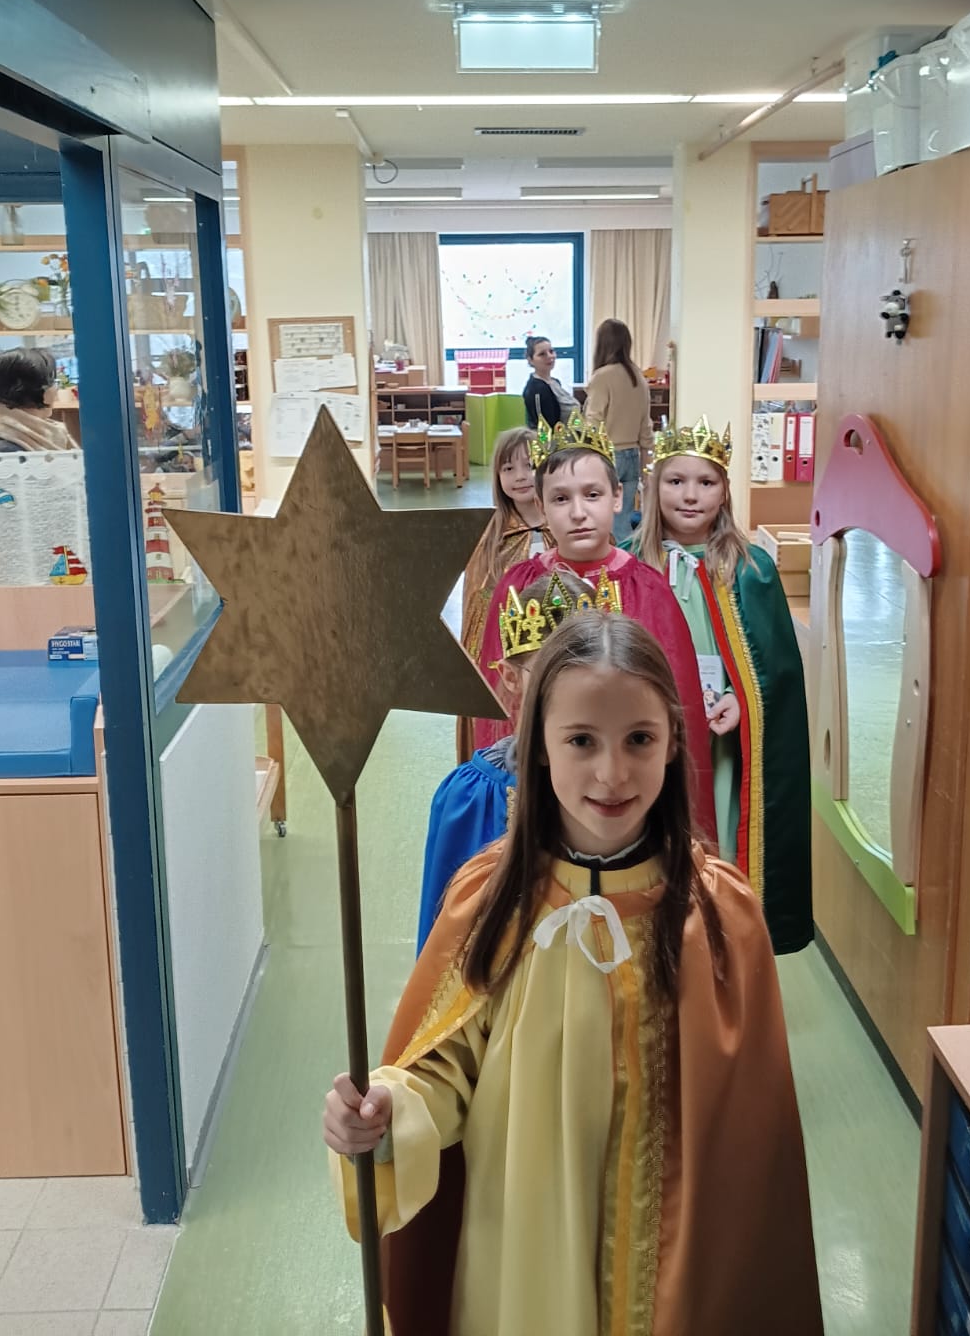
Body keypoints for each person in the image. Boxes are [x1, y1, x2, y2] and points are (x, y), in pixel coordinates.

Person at [325, 612, 823, 1336]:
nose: (612, 773)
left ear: (672, 740)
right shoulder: (492, 902)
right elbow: (442, 1070)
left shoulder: (720, 918)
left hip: (672, 1281)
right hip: (522, 1260)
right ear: (538, 747)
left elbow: (751, 1148)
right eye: (582, 740)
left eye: (639, 739)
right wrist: (385, 1112)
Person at [477, 412, 716, 838]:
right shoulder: (517, 586)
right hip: (540, 780)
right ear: (540, 504)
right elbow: (497, 704)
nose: (578, 513)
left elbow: (679, 707)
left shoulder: (650, 590)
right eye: (560, 499)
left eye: (592, 494)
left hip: (626, 786)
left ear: (617, 496)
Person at [634, 417, 813, 955]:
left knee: (718, 830)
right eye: (675, 481)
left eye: (705, 482)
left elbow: (776, 671)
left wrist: (741, 700)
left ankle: (719, 940)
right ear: (654, 487)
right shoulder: (632, 564)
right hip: (650, 734)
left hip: (720, 742)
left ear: (725, 491)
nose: (690, 495)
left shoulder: (750, 569)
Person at [419, 568, 616, 952]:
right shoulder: (472, 798)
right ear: (511, 678)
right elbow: (441, 947)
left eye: (589, 670)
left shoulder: (621, 781)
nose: (575, 691)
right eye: (552, 673)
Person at [457, 427, 551, 762]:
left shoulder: (565, 529)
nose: (520, 476)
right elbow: (477, 608)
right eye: (508, 468)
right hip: (507, 664)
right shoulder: (492, 539)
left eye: (530, 465)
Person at [584, 318, 652, 541]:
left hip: (607, 455)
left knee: (600, 518)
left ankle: (606, 560)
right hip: (632, 455)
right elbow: (646, 425)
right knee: (622, 519)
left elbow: (593, 421)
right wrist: (646, 463)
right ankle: (626, 557)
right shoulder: (638, 377)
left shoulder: (602, 377)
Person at [0, 348, 73, 454]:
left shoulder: (42, 432)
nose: (56, 388)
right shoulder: (6, 452)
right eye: (52, 382)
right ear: (32, 389)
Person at [521, 335, 576, 430]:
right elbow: (543, 426)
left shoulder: (555, 382)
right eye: (542, 354)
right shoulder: (536, 389)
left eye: (551, 351)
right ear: (531, 360)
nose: (550, 356)